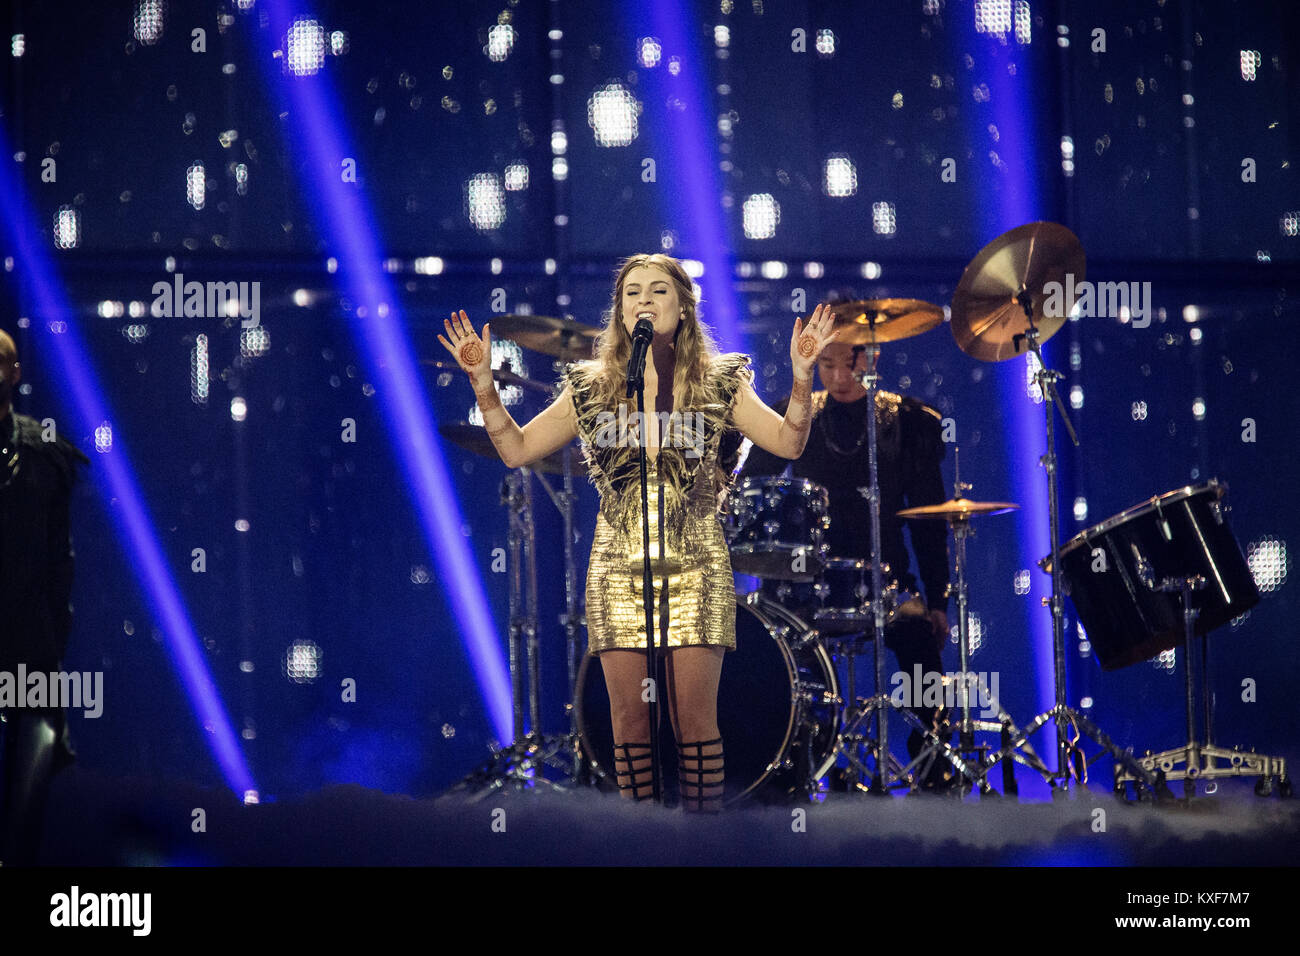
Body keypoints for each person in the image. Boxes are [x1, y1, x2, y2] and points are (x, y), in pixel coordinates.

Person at [439, 253, 837, 810]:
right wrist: (483, 385)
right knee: (628, 721)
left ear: (683, 307)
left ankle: (697, 842)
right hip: (618, 566)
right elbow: (517, 449)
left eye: (657, 291)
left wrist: (801, 377)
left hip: (696, 560)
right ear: (619, 308)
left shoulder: (720, 383)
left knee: (693, 720)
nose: (643, 301)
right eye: (631, 293)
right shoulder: (592, 387)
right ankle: (643, 839)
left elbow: (789, 444)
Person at [734, 332, 954, 788]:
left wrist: (938, 602)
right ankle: (793, 761)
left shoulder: (907, 422)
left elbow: (930, 524)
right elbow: (748, 489)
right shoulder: (795, 417)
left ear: (870, 356)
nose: (836, 377)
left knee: (919, 641)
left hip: (887, 579)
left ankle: (932, 761)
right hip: (805, 581)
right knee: (781, 647)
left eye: (845, 364)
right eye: (825, 365)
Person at [0, 328, 89, 864]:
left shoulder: (43, 456)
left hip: (28, 650)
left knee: (24, 813)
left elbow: (62, 565)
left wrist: (53, 646)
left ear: (14, 372)